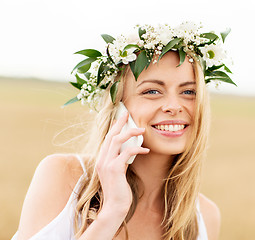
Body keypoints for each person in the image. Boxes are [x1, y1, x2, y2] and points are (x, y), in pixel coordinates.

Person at [12, 22, 235, 240]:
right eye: (152, 91)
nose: (174, 106)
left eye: (188, 92)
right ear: (118, 107)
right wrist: (112, 213)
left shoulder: (205, 217)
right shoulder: (63, 177)